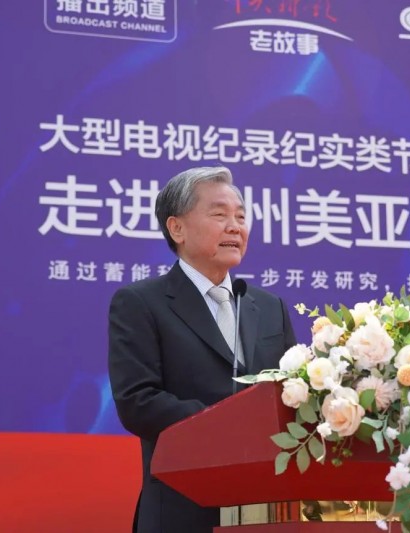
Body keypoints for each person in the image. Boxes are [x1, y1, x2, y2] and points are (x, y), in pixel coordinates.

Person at [108, 166, 297, 532]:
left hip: (266, 509)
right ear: (176, 228)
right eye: (219, 214)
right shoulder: (141, 303)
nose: (235, 227)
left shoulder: (268, 307)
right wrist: (227, 424)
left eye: (240, 216)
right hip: (183, 510)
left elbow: (290, 394)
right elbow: (138, 402)